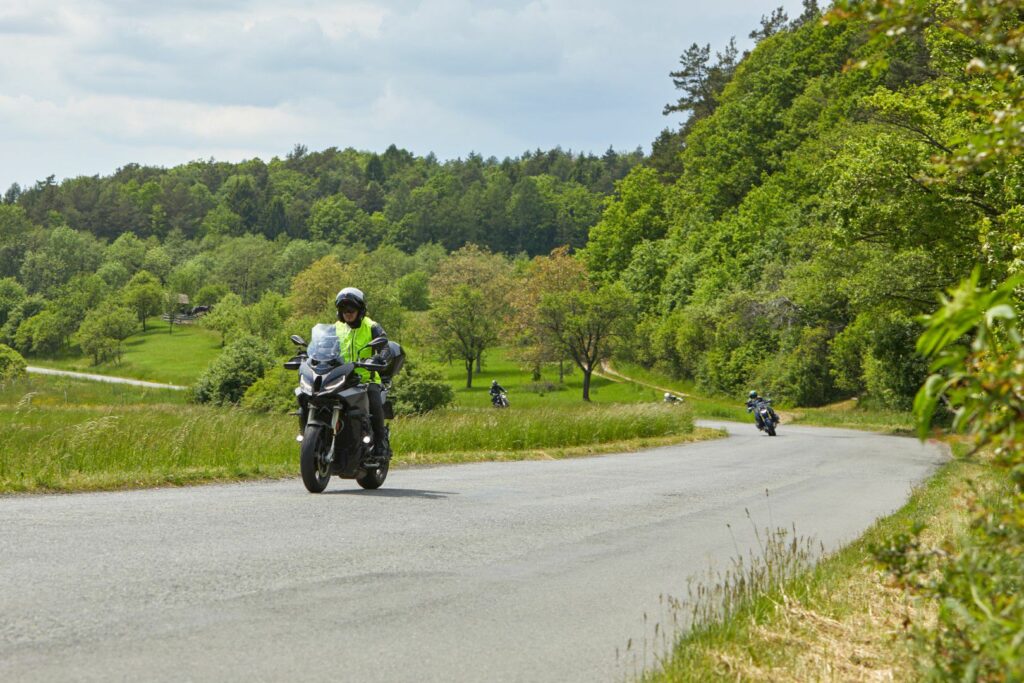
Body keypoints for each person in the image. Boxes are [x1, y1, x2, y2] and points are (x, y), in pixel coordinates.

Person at [335, 287, 390, 460]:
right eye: (343, 310)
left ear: (360, 310)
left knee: (374, 401)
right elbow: (323, 346)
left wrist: (380, 358)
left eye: (351, 309)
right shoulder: (336, 328)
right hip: (340, 378)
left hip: (366, 379)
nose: (347, 313)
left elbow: (386, 347)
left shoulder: (371, 326)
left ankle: (381, 443)